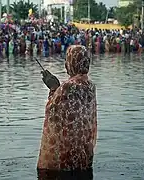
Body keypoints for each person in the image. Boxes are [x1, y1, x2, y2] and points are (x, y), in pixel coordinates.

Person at [37, 45, 97, 179]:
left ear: (71, 62)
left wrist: (53, 88)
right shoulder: (90, 85)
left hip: (65, 154)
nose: (65, 64)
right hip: (83, 151)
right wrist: (58, 88)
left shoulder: (68, 86)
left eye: (67, 60)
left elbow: (53, 111)